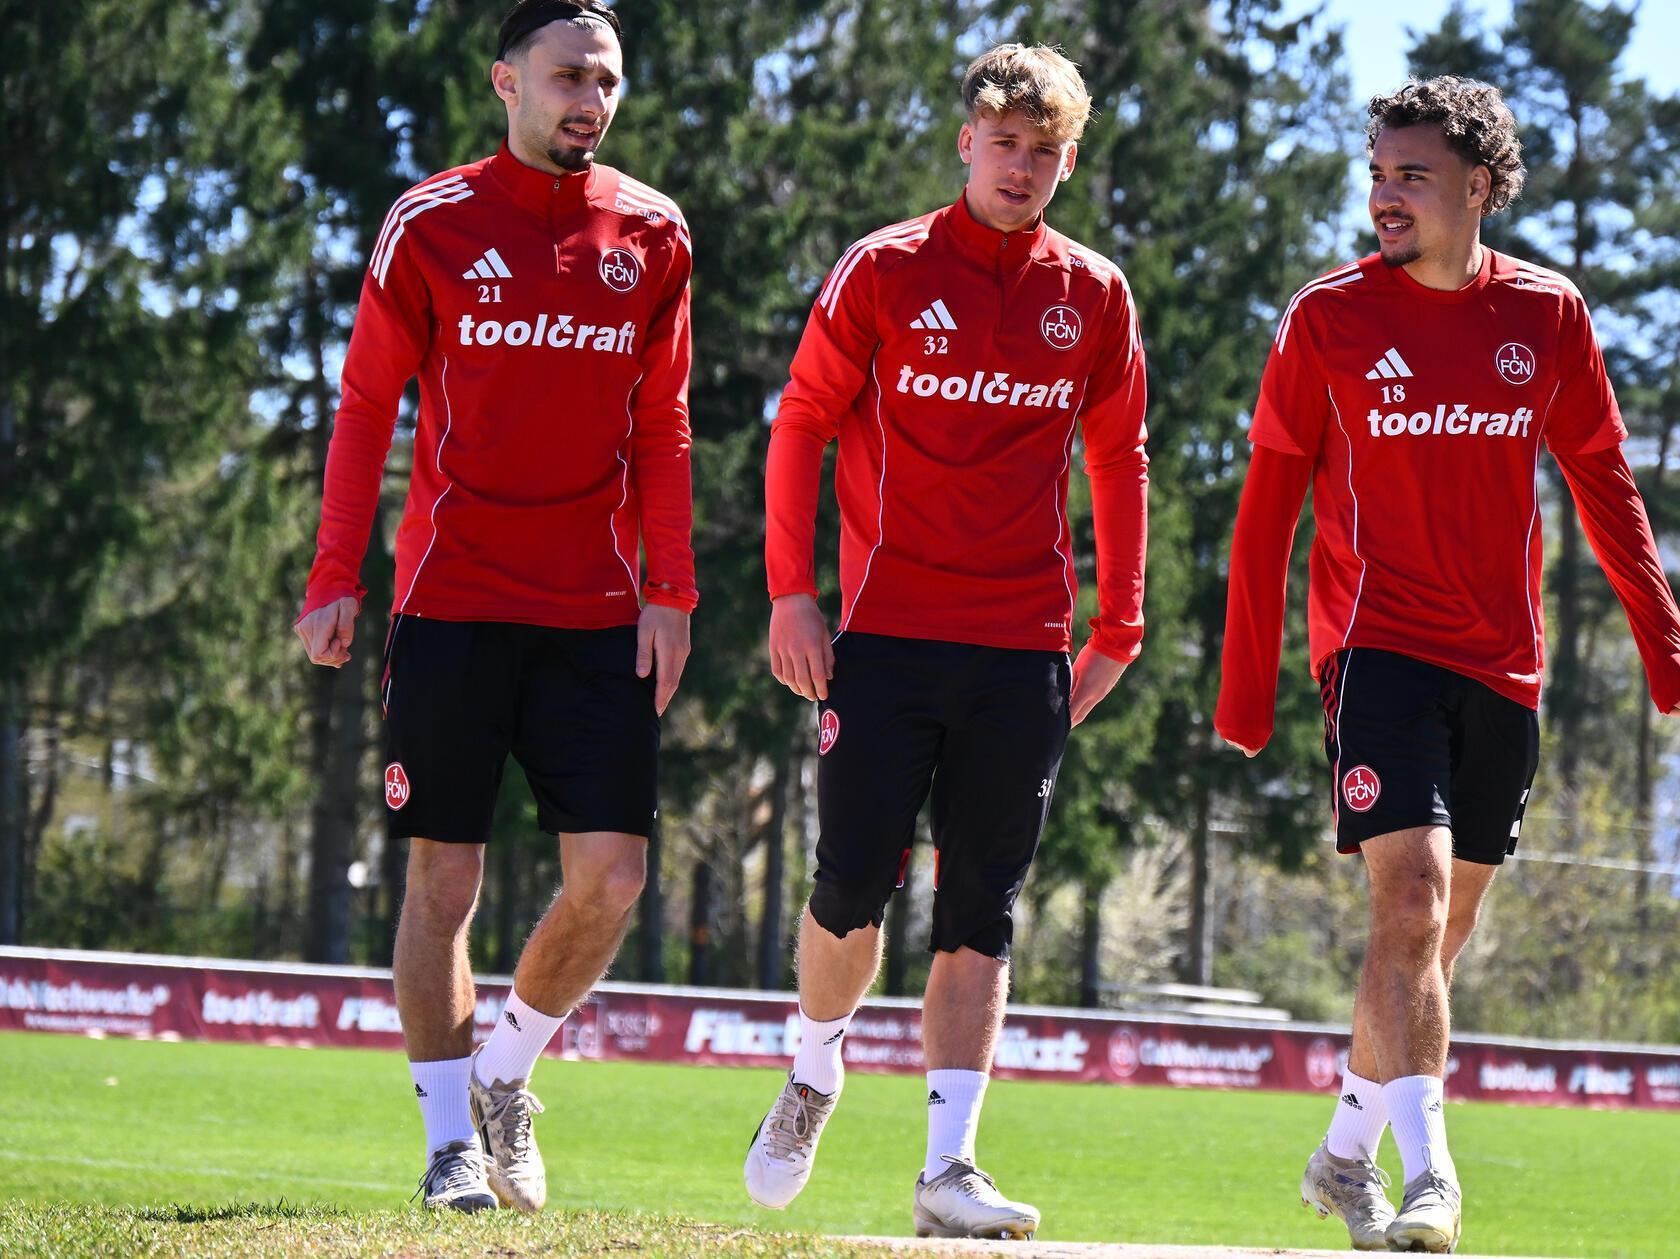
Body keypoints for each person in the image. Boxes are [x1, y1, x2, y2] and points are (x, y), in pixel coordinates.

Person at [1214, 76, 1680, 1253]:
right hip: (1375, 648)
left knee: (1433, 932)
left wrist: (1661, 635)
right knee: (1412, 897)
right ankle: (1432, 1180)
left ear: (1477, 187)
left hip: (1503, 664)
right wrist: (1244, 683)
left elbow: (1602, 487)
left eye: (1411, 177)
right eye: (1376, 174)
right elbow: (1267, 506)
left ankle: (1343, 1153)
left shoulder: (1546, 314)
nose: (1384, 197)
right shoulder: (1325, 318)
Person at [292, 0, 695, 1215]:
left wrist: (670, 588)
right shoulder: (431, 222)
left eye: (608, 79)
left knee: (614, 879)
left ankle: (505, 1068)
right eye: (568, 74)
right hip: (451, 600)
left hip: (594, 610)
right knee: (441, 886)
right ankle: (446, 1142)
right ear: (503, 81)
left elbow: (661, 421)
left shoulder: (655, 232)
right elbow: (367, 404)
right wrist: (334, 573)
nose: (591, 96)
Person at [742, 42, 1148, 1243]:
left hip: (1024, 644)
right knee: (852, 886)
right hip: (880, 635)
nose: (1022, 167)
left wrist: (1119, 621)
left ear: (1067, 162)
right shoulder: (883, 270)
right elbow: (802, 424)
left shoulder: (1096, 293)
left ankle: (948, 1167)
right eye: (1004, 142)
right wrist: (788, 593)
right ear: (966, 141)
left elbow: (1116, 459)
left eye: (1046, 151)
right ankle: (815, 1066)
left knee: (984, 902)